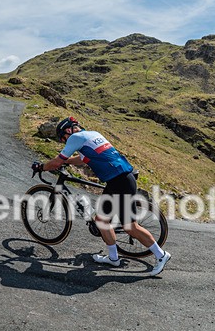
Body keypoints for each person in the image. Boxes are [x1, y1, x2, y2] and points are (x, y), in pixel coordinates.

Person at [39, 117, 171, 276]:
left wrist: (41, 166)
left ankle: (161, 255)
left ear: (68, 130)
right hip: (119, 179)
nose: (65, 141)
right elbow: (82, 159)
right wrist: (67, 162)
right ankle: (113, 258)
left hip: (120, 182)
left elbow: (55, 163)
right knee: (101, 220)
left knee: (130, 226)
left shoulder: (75, 137)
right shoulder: (92, 134)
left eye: (63, 138)